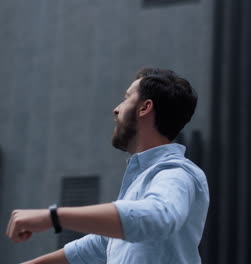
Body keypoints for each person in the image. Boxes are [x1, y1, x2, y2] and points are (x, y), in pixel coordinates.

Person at [5, 68, 210, 264]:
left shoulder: (176, 173)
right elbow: (103, 243)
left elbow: (158, 216)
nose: (116, 109)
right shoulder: (142, 181)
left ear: (145, 108)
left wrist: (52, 217)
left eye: (126, 98)